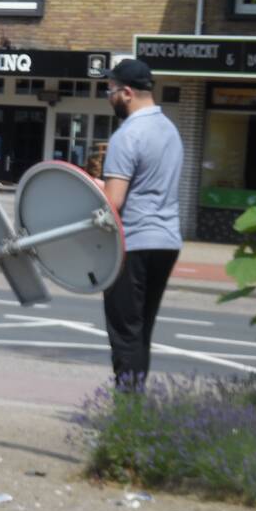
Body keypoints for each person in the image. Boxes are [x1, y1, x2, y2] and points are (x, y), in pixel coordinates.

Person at [100, 58, 183, 390]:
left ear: (127, 92)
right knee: (142, 329)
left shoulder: (127, 134)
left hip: (133, 242)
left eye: (110, 90)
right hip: (167, 242)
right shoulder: (170, 129)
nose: (109, 96)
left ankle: (127, 417)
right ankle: (136, 412)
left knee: (124, 332)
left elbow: (113, 203)